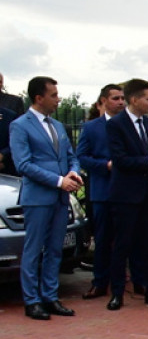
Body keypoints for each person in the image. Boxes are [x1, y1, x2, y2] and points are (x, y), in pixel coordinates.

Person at [8, 76, 82, 320]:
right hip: (38, 197)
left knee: (54, 250)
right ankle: (32, 300)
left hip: (60, 199)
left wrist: (73, 170)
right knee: (33, 249)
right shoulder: (20, 125)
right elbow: (24, 165)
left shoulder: (58, 126)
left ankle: (50, 297)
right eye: (53, 95)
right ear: (39, 98)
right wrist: (59, 181)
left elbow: (71, 154)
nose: (58, 99)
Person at [106, 78, 148, 311]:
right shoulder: (116, 125)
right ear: (134, 100)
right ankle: (117, 293)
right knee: (123, 245)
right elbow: (121, 160)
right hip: (126, 195)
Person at [76, 84, 125, 299]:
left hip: (126, 191)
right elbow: (82, 157)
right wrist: (105, 165)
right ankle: (100, 281)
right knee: (103, 240)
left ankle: (122, 281)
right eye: (115, 98)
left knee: (124, 239)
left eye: (122, 98)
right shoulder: (92, 127)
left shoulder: (129, 125)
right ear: (103, 101)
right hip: (102, 190)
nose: (121, 102)